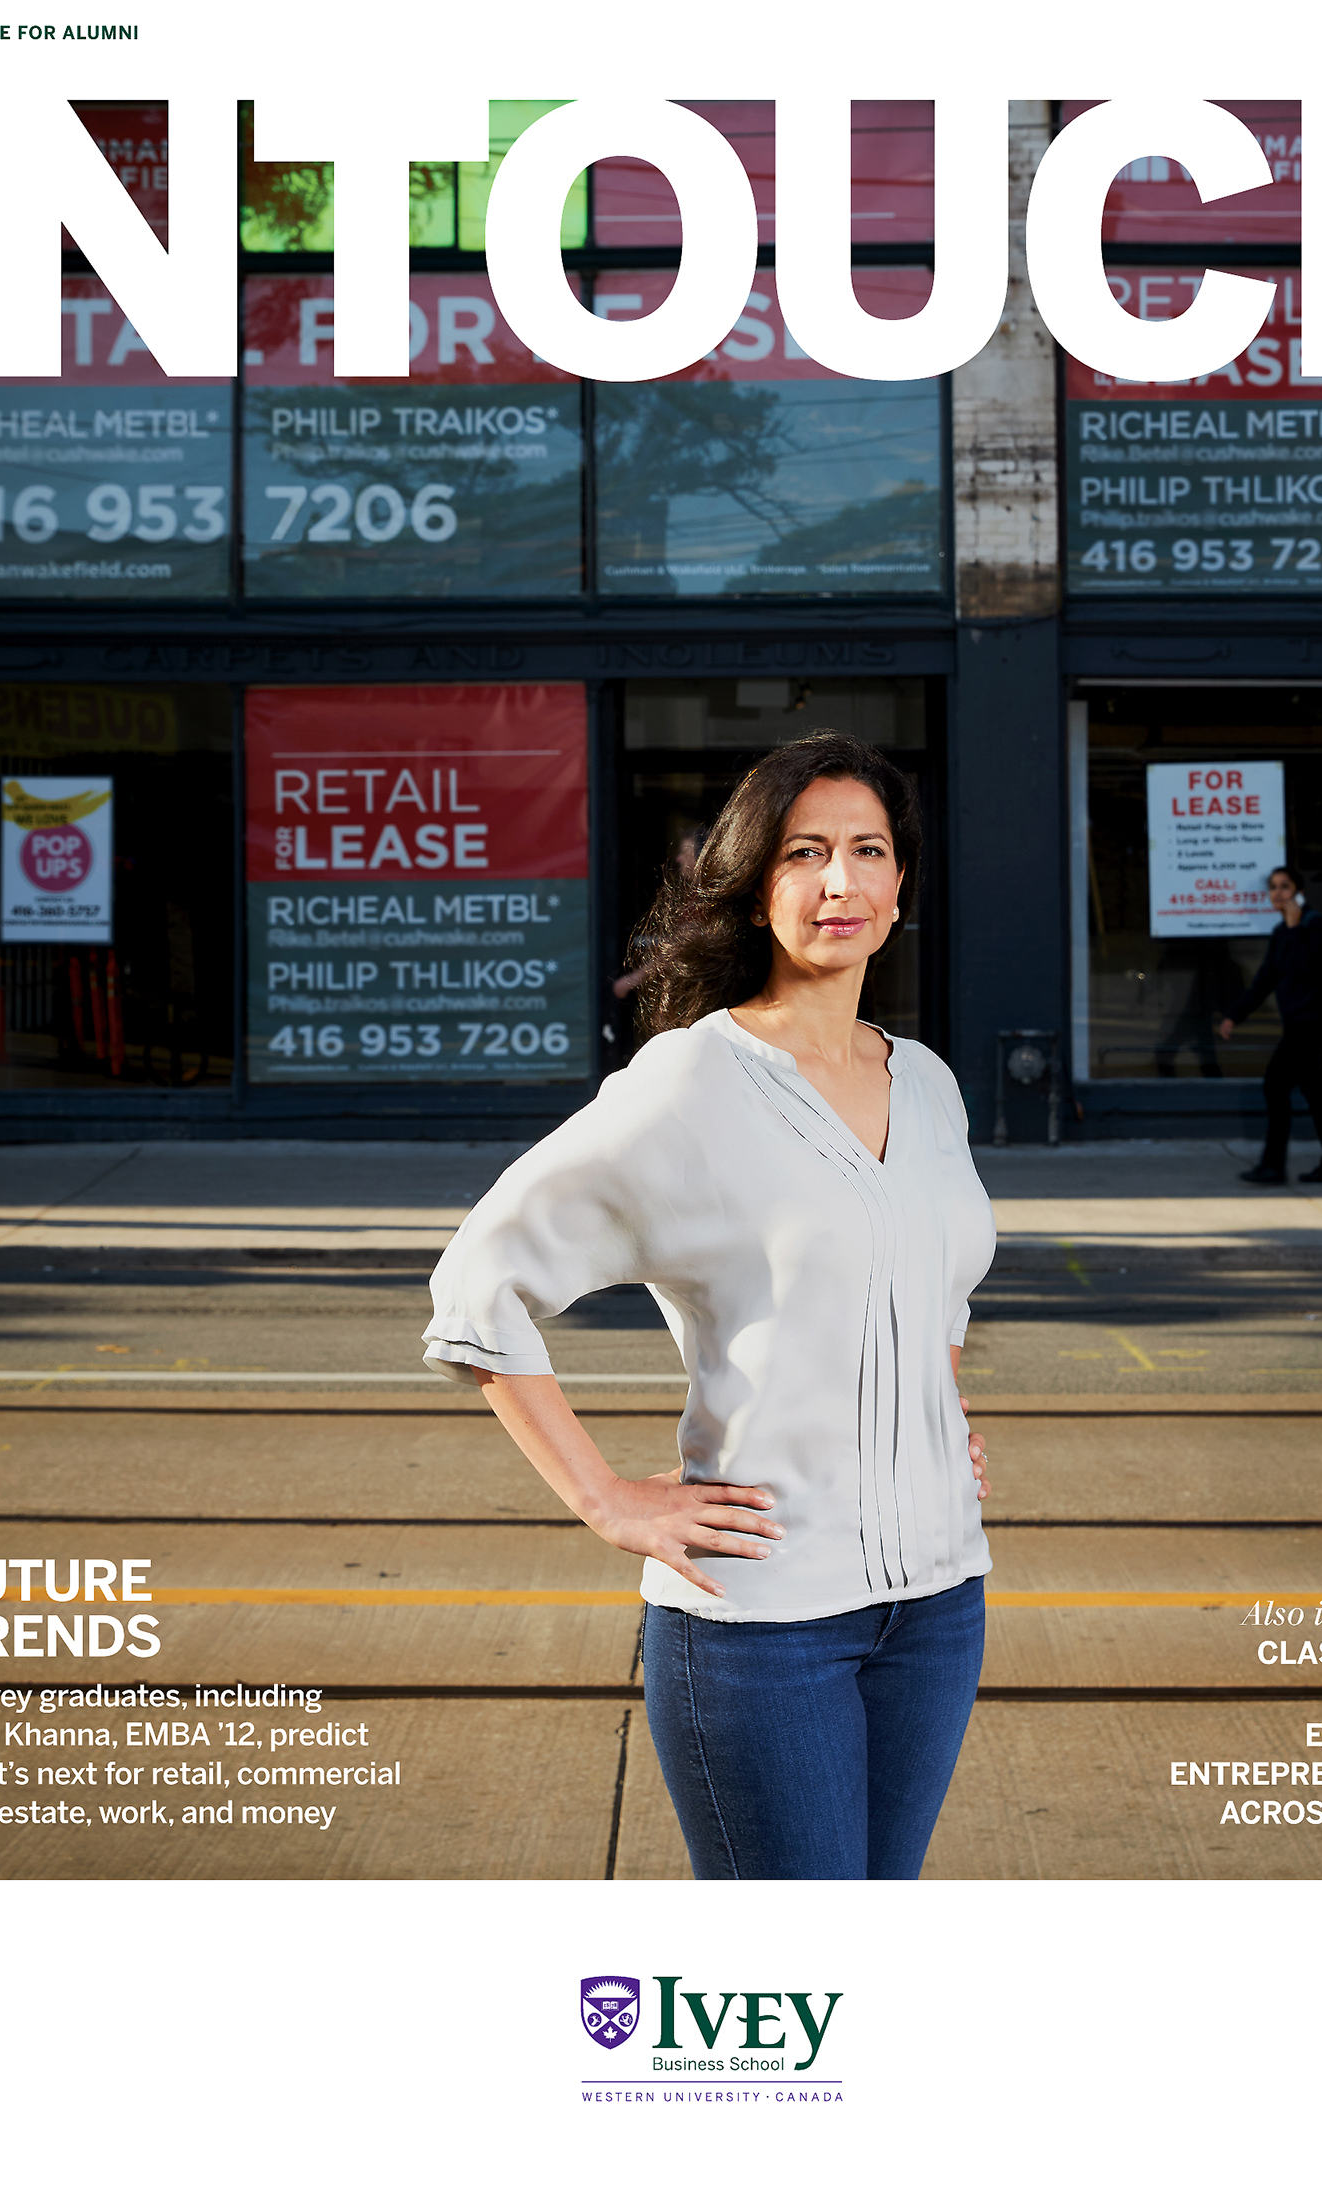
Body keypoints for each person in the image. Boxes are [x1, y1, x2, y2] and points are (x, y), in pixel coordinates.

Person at [422, 732, 996, 1879]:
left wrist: (932, 1418)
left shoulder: (925, 1082)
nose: (841, 882)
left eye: (868, 850)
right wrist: (605, 1499)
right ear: (753, 884)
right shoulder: (693, 1080)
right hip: (761, 1621)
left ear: (901, 883)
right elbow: (478, 1278)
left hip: (938, 1605)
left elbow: (927, 1287)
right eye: (804, 853)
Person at [1217, 864, 1322, 1185]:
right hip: (1298, 1023)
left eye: (1285, 887)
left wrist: (1294, 930)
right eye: (1273, 887)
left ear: (1300, 894)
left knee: (1275, 1085)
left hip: (1314, 1023)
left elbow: (1308, 970)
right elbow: (1265, 980)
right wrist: (1235, 1014)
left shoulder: (1315, 927)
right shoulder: (1281, 933)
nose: (1278, 893)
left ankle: (1273, 1166)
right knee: (1317, 1095)